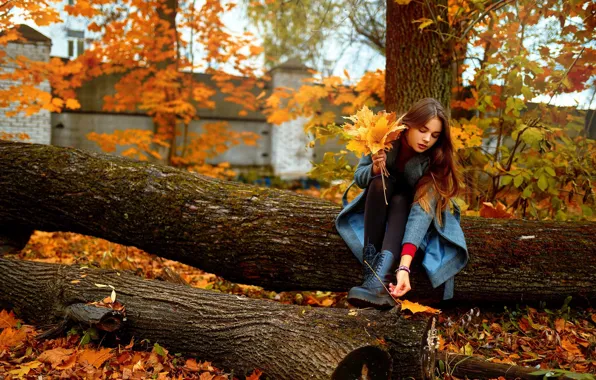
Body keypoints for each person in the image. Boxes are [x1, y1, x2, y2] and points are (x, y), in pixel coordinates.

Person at [335, 98, 469, 309]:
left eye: (434, 135)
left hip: (408, 212)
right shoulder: (384, 136)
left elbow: (421, 212)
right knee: (381, 182)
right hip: (375, 204)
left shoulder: (436, 159)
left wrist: (404, 267)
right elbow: (360, 178)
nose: (427, 139)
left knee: (400, 198)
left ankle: (380, 278)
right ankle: (372, 273)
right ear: (409, 124)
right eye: (423, 130)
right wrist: (374, 168)